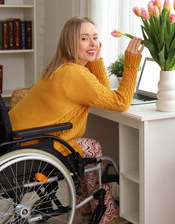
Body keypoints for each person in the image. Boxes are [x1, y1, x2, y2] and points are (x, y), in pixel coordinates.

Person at [9, 16, 144, 223]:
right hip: (37, 144)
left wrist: (96, 60)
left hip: (17, 137)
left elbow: (103, 93)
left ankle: (87, 210)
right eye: (84, 38)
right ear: (70, 42)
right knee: (91, 148)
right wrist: (132, 63)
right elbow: (120, 102)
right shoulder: (76, 74)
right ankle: (107, 216)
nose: (93, 43)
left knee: (82, 150)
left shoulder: (59, 66)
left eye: (95, 37)